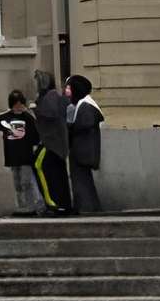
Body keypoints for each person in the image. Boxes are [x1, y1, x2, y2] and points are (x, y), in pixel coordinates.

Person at [0, 90, 41, 217]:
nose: (18, 106)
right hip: (12, 155)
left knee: (26, 182)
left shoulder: (28, 118)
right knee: (17, 183)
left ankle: (31, 206)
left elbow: (35, 136)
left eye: (20, 103)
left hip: (25, 155)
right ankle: (21, 206)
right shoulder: (7, 117)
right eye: (16, 104)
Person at [32, 70, 78, 214]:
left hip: (51, 142)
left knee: (40, 166)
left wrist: (36, 110)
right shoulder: (55, 97)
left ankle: (53, 203)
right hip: (57, 143)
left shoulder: (50, 97)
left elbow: (50, 114)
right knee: (58, 173)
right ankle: (62, 203)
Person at [65, 75, 105, 214]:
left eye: (69, 88)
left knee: (81, 181)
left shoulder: (86, 106)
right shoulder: (83, 104)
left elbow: (83, 124)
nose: (66, 91)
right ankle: (88, 206)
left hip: (82, 151)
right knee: (83, 181)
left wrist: (69, 127)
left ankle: (86, 207)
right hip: (83, 150)